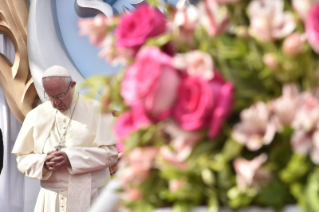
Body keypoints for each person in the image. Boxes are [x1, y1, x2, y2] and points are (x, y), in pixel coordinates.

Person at [12, 65, 118, 212]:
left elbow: (111, 154)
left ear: (72, 86)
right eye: (50, 96)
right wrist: (44, 162)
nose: (56, 102)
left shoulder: (97, 110)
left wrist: (72, 158)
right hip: (51, 198)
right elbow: (22, 160)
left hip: (93, 196)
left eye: (60, 95)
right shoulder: (36, 115)